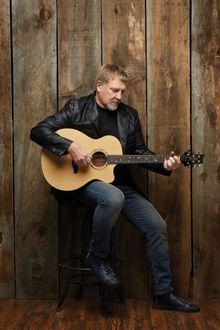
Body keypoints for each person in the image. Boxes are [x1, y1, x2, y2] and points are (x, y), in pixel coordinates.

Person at [30, 64, 200, 313]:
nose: (119, 96)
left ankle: (164, 294)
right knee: (112, 197)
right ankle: (97, 256)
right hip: (81, 184)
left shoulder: (129, 116)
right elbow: (38, 131)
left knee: (156, 226)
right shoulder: (77, 108)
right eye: (114, 90)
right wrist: (70, 146)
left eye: (122, 91)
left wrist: (166, 164)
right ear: (99, 86)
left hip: (119, 184)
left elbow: (140, 153)